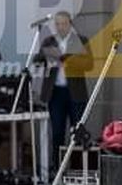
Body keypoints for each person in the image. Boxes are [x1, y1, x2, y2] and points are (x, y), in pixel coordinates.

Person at [38, 11, 93, 164]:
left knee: (78, 132)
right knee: (57, 132)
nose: (60, 27)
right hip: (55, 93)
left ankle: (78, 168)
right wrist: (47, 56)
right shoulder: (49, 41)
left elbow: (89, 64)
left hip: (75, 92)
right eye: (57, 24)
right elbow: (37, 60)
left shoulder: (80, 41)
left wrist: (69, 60)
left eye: (63, 23)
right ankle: (57, 168)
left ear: (70, 24)